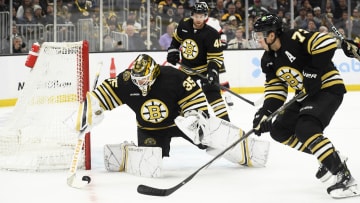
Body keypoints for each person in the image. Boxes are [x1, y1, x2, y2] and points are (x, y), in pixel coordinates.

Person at [66, 54, 270, 176]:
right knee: (150, 165)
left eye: (144, 79)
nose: (140, 83)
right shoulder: (127, 80)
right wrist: (89, 110)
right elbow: (106, 93)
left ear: (154, 73)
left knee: (208, 134)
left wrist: (194, 117)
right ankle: (126, 152)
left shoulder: (174, 77)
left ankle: (246, 151)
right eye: (138, 80)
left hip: (180, 123)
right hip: (150, 128)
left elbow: (194, 96)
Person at [252, 13, 359, 199]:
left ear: (271, 35)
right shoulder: (267, 60)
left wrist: (313, 72)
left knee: (306, 129)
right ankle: (330, 157)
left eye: (260, 35)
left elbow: (326, 42)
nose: (257, 39)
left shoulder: (293, 38)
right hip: (305, 95)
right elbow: (276, 89)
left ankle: (345, 177)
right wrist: (265, 112)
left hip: (327, 88)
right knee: (279, 130)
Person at [167, 1, 231, 122]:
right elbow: (176, 40)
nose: (198, 19)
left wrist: (212, 72)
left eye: (201, 16)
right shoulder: (184, 24)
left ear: (206, 16)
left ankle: (226, 122)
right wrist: (173, 51)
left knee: (213, 95)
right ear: (192, 15)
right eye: (196, 16)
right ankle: (181, 122)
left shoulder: (211, 34)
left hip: (205, 71)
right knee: (182, 96)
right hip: (187, 70)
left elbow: (215, 57)